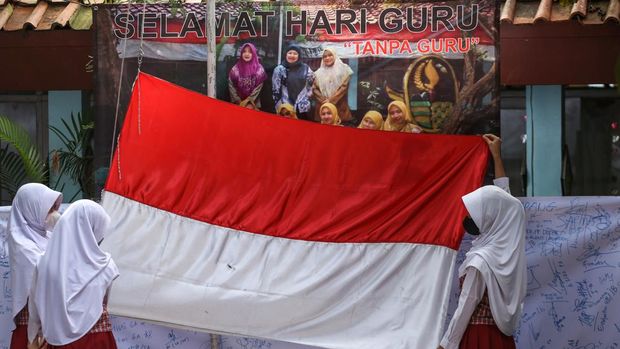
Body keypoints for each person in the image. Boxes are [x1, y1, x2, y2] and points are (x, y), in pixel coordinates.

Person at [438, 134, 526, 349]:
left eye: (477, 213)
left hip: (477, 338)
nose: (471, 218)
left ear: (491, 217)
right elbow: (505, 203)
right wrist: (496, 156)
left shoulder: (481, 261)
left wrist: (445, 344)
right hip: (502, 339)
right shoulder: (508, 249)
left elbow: (466, 305)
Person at [28, 200, 119, 349]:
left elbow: (35, 305)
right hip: (97, 341)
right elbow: (105, 302)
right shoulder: (105, 265)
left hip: (56, 341)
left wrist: (32, 338)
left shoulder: (43, 262)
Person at [8, 183, 62, 349]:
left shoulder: (47, 236)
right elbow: (49, 275)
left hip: (51, 323)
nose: (54, 213)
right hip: (33, 330)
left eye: (55, 207)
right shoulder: (23, 245)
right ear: (32, 209)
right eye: (49, 208)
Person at [272, 45, 314, 121]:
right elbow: (275, 90)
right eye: (290, 53)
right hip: (285, 108)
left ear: (299, 56)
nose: (292, 55)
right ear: (286, 54)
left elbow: (311, 85)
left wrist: (306, 98)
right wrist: (279, 107)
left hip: (301, 108)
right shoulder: (279, 69)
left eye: (295, 53)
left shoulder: (306, 68)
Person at [312, 48, 353, 124]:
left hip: (340, 105)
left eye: (330, 55)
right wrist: (324, 101)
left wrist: (331, 100)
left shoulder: (344, 69)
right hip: (323, 107)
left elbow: (344, 87)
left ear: (335, 56)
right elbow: (314, 89)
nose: (327, 58)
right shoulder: (318, 73)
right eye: (324, 56)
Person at [228, 43, 267, 109]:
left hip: (253, 105)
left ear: (254, 54)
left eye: (250, 52)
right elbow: (231, 86)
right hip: (237, 105)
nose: (247, 54)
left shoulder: (259, 70)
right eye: (244, 51)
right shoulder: (235, 69)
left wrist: (248, 102)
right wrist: (239, 101)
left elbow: (258, 89)